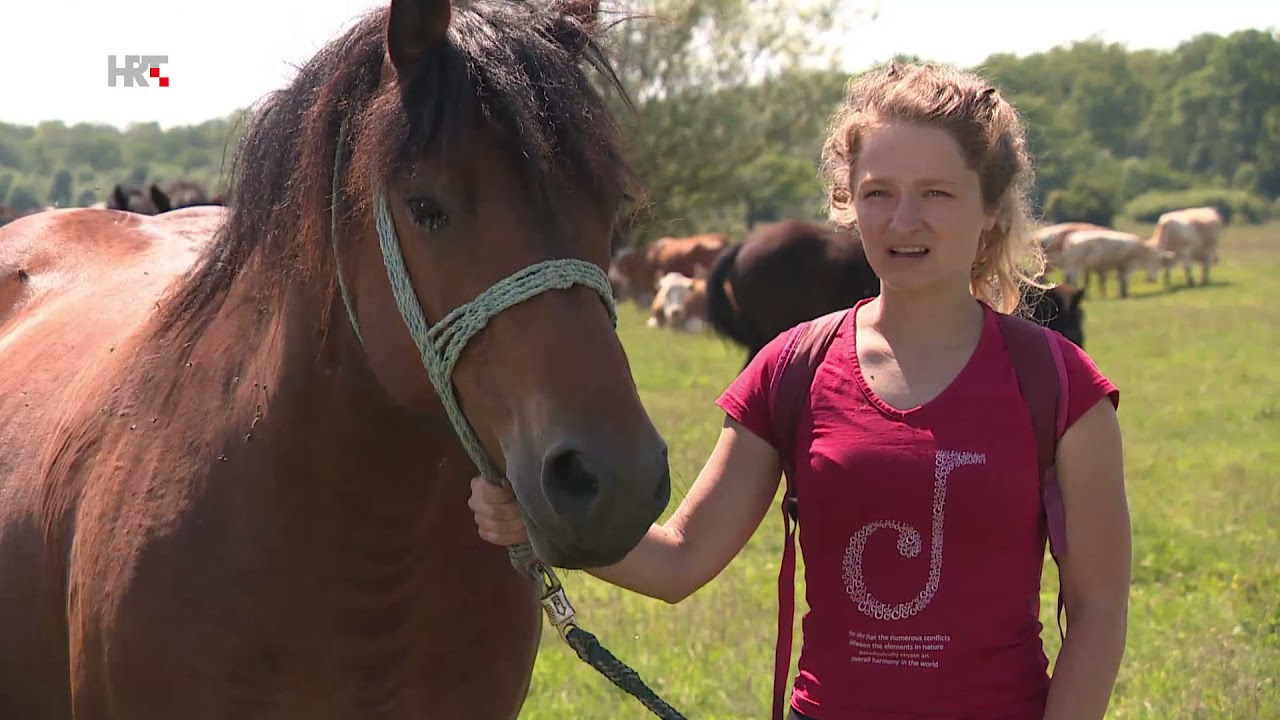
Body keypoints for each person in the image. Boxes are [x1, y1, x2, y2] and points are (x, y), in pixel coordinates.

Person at [468, 61, 1131, 720]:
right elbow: (679, 562)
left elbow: (1099, 612)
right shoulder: (793, 368)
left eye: (936, 193)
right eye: (878, 193)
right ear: (847, 202)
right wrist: (542, 522)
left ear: (990, 208)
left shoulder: (1060, 386)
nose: (903, 221)